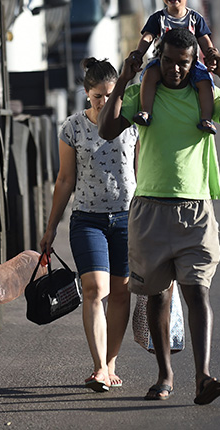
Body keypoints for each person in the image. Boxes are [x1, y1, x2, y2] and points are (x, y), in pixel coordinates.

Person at [98, 28, 220, 405]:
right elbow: (107, 129)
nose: (174, 69)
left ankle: (203, 376)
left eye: (182, 63)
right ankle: (164, 375)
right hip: (150, 208)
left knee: (197, 291)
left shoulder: (205, 94)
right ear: (159, 58)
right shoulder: (143, 93)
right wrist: (124, 80)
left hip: (195, 210)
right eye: (167, 61)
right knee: (157, 296)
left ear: (193, 62)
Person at [40, 58, 138, 393]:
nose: (104, 102)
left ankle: (110, 364)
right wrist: (51, 228)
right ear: (86, 93)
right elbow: (65, 180)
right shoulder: (72, 128)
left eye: (111, 95)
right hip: (87, 220)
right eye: (98, 96)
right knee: (96, 290)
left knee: (121, 292)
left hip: (127, 218)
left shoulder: (132, 124)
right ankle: (98, 368)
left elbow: (142, 174)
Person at [132, 0, 219, 135]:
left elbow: (205, 41)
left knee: (205, 82)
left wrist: (211, 57)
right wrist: (138, 54)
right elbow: (147, 37)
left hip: (190, 64)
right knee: (150, 75)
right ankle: (146, 112)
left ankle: (206, 118)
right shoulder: (158, 18)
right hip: (163, 62)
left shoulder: (195, 19)